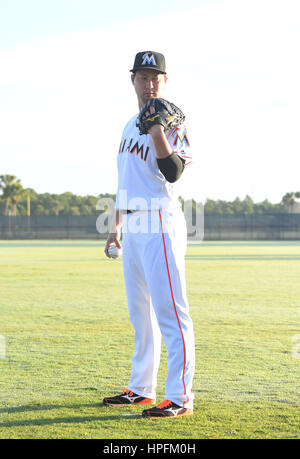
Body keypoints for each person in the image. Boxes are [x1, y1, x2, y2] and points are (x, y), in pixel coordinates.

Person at [103, 51, 195, 418]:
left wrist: (158, 129)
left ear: (165, 81)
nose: (150, 83)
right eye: (143, 76)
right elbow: (124, 182)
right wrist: (115, 227)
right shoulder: (127, 126)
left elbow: (173, 172)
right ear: (133, 81)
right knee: (140, 315)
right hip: (135, 226)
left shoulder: (174, 123)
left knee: (171, 314)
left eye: (156, 76)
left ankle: (180, 398)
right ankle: (141, 388)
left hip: (160, 221)